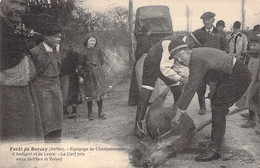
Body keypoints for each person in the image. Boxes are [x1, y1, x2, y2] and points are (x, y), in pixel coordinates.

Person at [171, 46, 251, 162]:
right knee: (216, 104)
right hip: (228, 75)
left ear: (188, 51)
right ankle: (216, 141)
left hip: (237, 75)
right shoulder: (196, 55)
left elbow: (191, 87)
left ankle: (216, 149)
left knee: (219, 107)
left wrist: (179, 112)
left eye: (180, 55)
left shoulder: (197, 59)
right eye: (175, 59)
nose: (179, 60)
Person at [0, 0, 43, 141]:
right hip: (7, 95)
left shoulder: (14, 27)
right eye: (14, 2)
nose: (19, 8)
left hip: (24, 91)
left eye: (23, 4)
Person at [135, 36, 189, 137]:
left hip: (164, 65)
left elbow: (177, 64)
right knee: (145, 95)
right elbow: (164, 68)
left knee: (178, 90)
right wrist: (181, 79)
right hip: (152, 64)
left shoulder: (182, 48)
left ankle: (177, 120)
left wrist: (181, 75)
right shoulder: (170, 43)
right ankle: (138, 126)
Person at [30, 23, 63, 143]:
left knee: (57, 119)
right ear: (47, 37)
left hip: (56, 89)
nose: (59, 39)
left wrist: (56, 53)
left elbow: (59, 69)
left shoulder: (56, 50)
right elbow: (33, 73)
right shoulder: (34, 52)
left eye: (60, 37)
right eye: (56, 37)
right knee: (45, 121)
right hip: (41, 91)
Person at [192, 12, 229, 115]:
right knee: (200, 87)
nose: (207, 22)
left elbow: (226, 47)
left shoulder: (220, 33)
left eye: (209, 19)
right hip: (202, 65)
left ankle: (214, 106)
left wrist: (223, 55)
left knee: (215, 88)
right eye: (205, 20)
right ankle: (202, 106)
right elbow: (192, 46)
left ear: (213, 20)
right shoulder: (198, 33)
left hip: (216, 66)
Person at [78, 33, 107, 120]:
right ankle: (90, 113)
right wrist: (81, 76)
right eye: (91, 40)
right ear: (87, 41)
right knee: (89, 93)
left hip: (98, 74)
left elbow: (101, 61)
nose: (92, 42)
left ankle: (100, 112)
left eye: (94, 41)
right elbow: (80, 65)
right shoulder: (83, 51)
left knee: (100, 93)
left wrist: (97, 69)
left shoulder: (98, 50)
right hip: (88, 75)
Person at [128, 23, 152, 106]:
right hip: (143, 59)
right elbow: (142, 51)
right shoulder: (146, 39)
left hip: (141, 59)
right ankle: (144, 99)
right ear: (149, 30)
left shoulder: (142, 38)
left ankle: (138, 99)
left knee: (139, 78)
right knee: (143, 78)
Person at [240, 36, 260, 129]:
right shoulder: (251, 55)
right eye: (251, 45)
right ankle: (251, 114)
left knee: (255, 100)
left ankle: (253, 120)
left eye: (255, 45)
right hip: (251, 81)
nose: (252, 47)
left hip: (257, 82)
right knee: (249, 97)